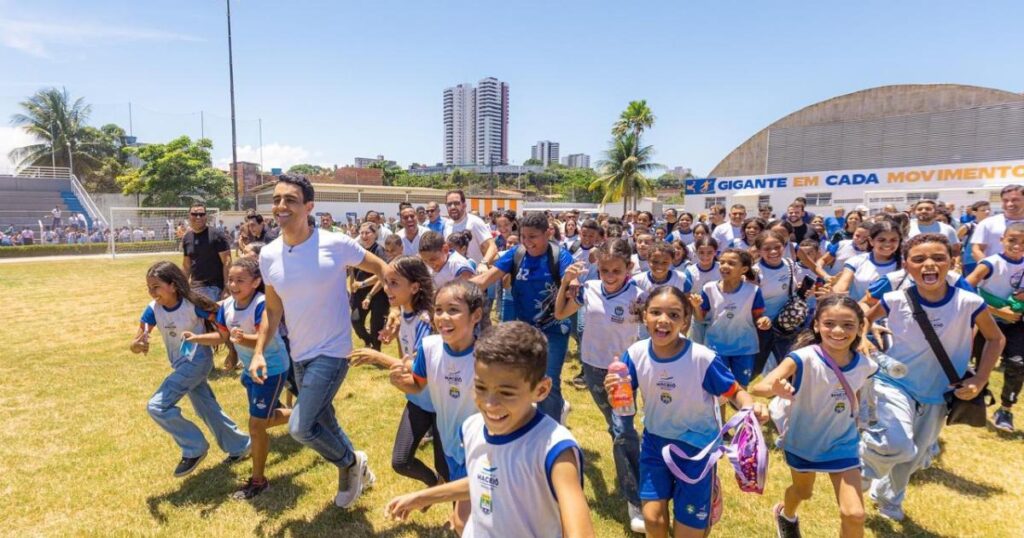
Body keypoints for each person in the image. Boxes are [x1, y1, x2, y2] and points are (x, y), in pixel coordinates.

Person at [253, 174, 389, 508]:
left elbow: (384, 268)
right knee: (324, 420)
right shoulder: (269, 255)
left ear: (309, 206)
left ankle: (349, 464)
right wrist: (258, 352)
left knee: (300, 427)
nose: (281, 206)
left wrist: (398, 310)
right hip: (299, 352)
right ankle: (359, 464)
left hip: (333, 350)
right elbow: (272, 309)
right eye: (277, 199)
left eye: (291, 200)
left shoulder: (335, 243)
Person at [385, 321, 594, 538]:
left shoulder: (555, 450)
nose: (490, 404)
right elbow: (487, 479)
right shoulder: (472, 428)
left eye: (506, 392)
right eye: (480, 387)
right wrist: (423, 497)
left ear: (541, 390)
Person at [861, 233, 1004, 522]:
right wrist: (864, 336)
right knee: (896, 442)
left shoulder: (969, 301)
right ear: (906, 265)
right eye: (919, 259)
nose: (929, 264)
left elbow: (995, 339)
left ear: (951, 262)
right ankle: (862, 471)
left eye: (938, 258)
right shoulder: (894, 298)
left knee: (915, 457)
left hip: (939, 391)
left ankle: (888, 498)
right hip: (895, 382)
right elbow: (865, 318)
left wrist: (979, 380)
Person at [611, 286, 767, 537]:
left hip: (698, 452)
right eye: (655, 313)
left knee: (688, 533)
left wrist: (752, 407)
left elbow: (735, 392)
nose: (663, 320)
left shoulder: (702, 358)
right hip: (654, 445)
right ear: (644, 317)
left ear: (685, 321)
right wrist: (615, 389)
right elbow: (623, 397)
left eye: (673, 315)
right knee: (652, 519)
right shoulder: (635, 354)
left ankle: (708, 491)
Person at [751, 295, 875, 538]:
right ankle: (786, 514)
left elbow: (856, 398)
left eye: (848, 325)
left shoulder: (865, 365)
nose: (838, 331)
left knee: (855, 515)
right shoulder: (804, 357)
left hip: (843, 444)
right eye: (829, 323)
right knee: (803, 492)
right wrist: (775, 388)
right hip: (803, 442)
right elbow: (760, 387)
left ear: (861, 328)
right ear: (817, 325)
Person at [554, 238, 645, 533]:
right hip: (593, 370)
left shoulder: (639, 295)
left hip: (624, 373)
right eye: (604, 270)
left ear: (628, 268)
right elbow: (560, 313)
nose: (609, 276)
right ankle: (631, 465)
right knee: (616, 426)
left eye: (615, 270)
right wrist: (565, 283)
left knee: (622, 430)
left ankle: (636, 500)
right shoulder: (589, 289)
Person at [183, 258, 291, 499]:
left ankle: (259, 481)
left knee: (256, 425)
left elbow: (267, 336)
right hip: (250, 371)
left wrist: (243, 339)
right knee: (265, 420)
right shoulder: (227, 306)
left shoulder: (263, 304)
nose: (233, 284)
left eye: (240, 280)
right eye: (230, 279)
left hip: (271, 369)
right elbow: (223, 337)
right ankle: (307, 414)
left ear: (256, 282)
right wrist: (196, 338)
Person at [130, 261, 250, 478]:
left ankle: (194, 448)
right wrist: (138, 345)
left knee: (157, 406)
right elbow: (135, 342)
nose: (151, 292)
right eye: (149, 287)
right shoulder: (152, 310)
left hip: (197, 362)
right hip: (181, 364)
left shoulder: (192, 305)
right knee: (207, 408)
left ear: (173, 285)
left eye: (156, 286)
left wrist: (232, 350)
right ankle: (240, 445)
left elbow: (222, 328)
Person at [389, 280, 484, 532]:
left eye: (453, 310)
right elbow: (418, 384)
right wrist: (400, 382)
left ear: (476, 315)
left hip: (480, 450)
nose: (442, 317)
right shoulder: (429, 347)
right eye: (438, 309)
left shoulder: (487, 357)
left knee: (467, 521)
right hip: (449, 445)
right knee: (464, 515)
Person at [348, 257, 448, 488]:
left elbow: (417, 367)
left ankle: (457, 516)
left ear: (414, 287)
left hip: (440, 405)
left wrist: (377, 356)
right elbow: (406, 357)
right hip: (417, 400)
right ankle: (435, 486)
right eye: (386, 282)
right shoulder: (405, 312)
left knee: (448, 468)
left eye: (394, 283)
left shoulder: (427, 321)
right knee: (401, 462)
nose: (386, 288)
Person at [471, 211, 574, 424]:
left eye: (533, 237)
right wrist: (451, 290)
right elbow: (484, 280)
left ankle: (550, 431)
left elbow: (570, 283)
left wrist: (573, 284)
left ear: (548, 233)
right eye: (523, 237)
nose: (527, 242)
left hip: (555, 328)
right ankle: (551, 411)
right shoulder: (516, 254)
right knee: (526, 378)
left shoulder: (560, 257)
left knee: (548, 379)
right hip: (525, 330)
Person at [966, 222, 1024, 432]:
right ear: (1002, 240)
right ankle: (977, 400)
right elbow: (965, 287)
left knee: (1017, 364)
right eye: (1012, 240)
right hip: (986, 322)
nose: (1017, 246)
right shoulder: (990, 263)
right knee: (982, 366)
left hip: (1015, 324)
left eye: (1023, 242)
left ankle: (1006, 409)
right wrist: (999, 311)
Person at [697, 248, 771, 388]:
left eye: (731, 263)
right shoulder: (709, 288)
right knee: (719, 389)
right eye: (722, 262)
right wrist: (695, 306)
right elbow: (701, 318)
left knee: (741, 387)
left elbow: (758, 317)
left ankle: (741, 410)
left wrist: (763, 321)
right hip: (716, 346)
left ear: (743, 269)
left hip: (744, 347)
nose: (724, 266)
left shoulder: (753, 290)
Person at [833, 221, 902, 303]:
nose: (887, 244)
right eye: (881, 240)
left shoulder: (907, 264)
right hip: (859, 313)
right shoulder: (856, 261)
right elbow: (842, 286)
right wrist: (835, 294)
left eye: (893, 240)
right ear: (871, 241)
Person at [349, 222, 389, 351]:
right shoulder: (357, 251)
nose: (364, 236)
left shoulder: (379, 251)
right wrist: (353, 288)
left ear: (375, 234)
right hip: (360, 293)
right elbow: (351, 271)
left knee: (376, 324)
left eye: (367, 233)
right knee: (356, 320)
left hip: (378, 293)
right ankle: (368, 340)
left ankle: (376, 351)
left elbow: (382, 274)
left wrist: (367, 290)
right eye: (361, 233)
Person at [181, 202, 231, 303]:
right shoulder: (187, 237)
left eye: (201, 214)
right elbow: (187, 266)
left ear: (206, 216)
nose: (198, 217)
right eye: (194, 214)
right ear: (189, 216)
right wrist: (181, 286)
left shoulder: (217, 235)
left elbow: (227, 262)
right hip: (194, 288)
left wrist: (227, 288)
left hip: (213, 288)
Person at [444, 190, 498, 266]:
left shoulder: (474, 222)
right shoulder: (447, 225)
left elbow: (492, 247)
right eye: (449, 204)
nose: (452, 207)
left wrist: (484, 264)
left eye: (456, 203)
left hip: (475, 275)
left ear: (464, 205)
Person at [684, 237, 720, 345]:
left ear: (715, 252)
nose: (705, 256)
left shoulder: (721, 269)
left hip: (717, 316)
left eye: (709, 252)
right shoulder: (690, 271)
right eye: (701, 252)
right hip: (698, 316)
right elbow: (686, 294)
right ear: (696, 252)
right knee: (697, 346)